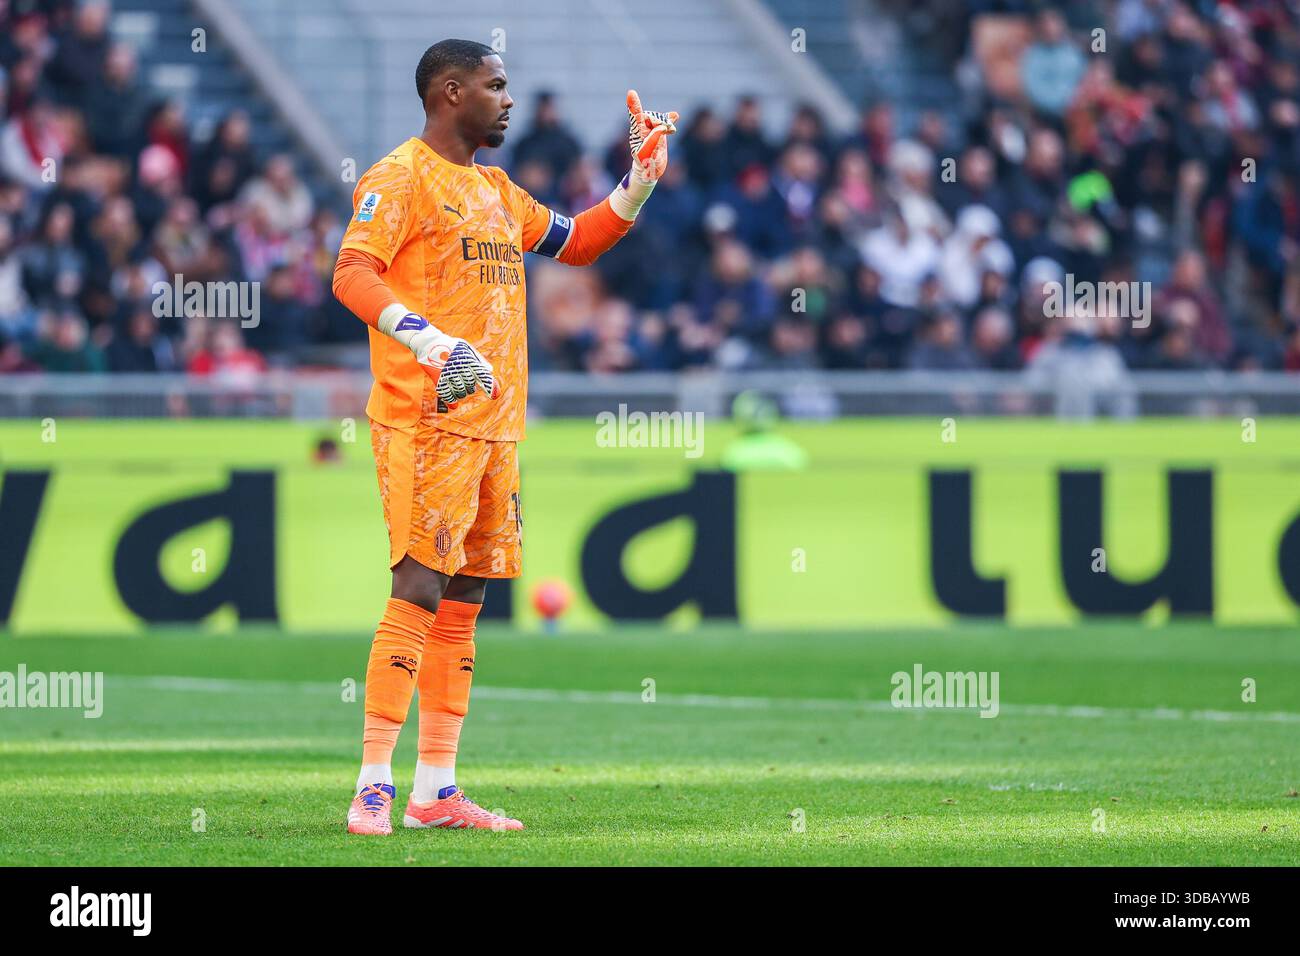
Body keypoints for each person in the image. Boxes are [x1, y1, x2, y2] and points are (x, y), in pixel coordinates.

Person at [331, 38, 676, 834]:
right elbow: (352, 271)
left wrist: (639, 183)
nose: (508, 99)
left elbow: (579, 242)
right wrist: (425, 337)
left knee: (466, 597)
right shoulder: (399, 177)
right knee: (418, 585)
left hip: (495, 427)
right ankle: (373, 781)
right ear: (451, 93)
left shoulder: (495, 190)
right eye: (496, 85)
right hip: (427, 420)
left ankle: (435, 791)